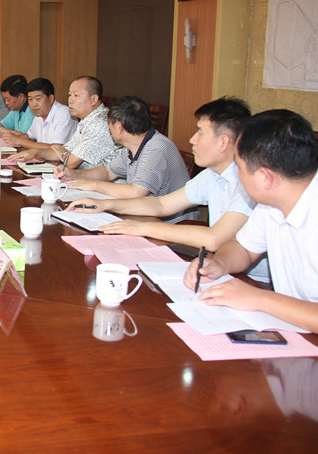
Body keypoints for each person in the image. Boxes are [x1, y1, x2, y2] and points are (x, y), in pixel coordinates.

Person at [68, 97, 269, 281]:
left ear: (223, 141)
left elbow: (213, 238)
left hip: (253, 281)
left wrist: (143, 227)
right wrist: (105, 205)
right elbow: (161, 204)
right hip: (220, 267)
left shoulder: (250, 181)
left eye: (200, 132)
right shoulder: (211, 174)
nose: (192, 139)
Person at [184, 109, 318, 333]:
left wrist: (259, 298)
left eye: (239, 167)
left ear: (265, 177)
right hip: (290, 327)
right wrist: (219, 264)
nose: (236, 175)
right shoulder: (271, 203)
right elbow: (243, 248)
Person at [57, 96, 195, 221]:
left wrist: (94, 185)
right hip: (143, 213)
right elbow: (108, 172)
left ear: (118, 126)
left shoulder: (156, 148)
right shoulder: (132, 146)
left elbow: (136, 192)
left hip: (171, 223)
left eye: (109, 123)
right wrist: (75, 174)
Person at [9, 75, 119, 169]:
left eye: (76, 95)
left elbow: (70, 162)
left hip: (102, 184)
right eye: (70, 95)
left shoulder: (99, 123)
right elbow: (64, 150)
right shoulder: (86, 121)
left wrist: (62, 153)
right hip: (81, 178)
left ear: (94, 99)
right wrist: (35, 152)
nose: (70, 100)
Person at [0, 77, 77, 147]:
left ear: (51, 99)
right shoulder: (39, 114)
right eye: (30, 99)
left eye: (38, 99)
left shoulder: (64, 114)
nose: (34, 104)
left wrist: (18, 140)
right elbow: (29, 136)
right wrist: (9, 137)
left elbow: (56, 149)